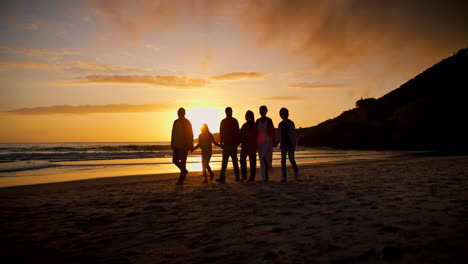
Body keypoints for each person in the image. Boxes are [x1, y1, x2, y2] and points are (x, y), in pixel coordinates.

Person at [216, 107, 240, 183]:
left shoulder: (234, 121)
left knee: (233, 161)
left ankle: (237, 176)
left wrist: (237, 143)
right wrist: (221, 142)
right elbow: (221, 132)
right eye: (229, 111)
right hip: (227, 144)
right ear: (226, 112)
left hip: (232, 144)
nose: (230, 113)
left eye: (230, 111)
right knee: (225, 162)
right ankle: (223, 177)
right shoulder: (224, 121)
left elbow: (237, 133)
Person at [171, 107, 193, 185]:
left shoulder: (187, 122)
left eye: (180, 112)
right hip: (176, 145)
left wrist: (191, 145)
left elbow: (191, 134)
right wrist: (172, 142)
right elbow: (173, 133)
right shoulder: (175, 122)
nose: (178, 113)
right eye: (178, 112)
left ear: (184, 113)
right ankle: (184, 171)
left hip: (184, 146)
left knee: (183, 162)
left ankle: (181, 179)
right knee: (175, 161)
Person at [277, 107, 299, 182]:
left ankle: (296, 171)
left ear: (287, 114)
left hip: (290, 144)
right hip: (283, 145)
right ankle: (284, 177)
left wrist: (293, 145)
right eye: (282, 114)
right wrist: (277, 142)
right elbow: (279, 135)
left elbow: (293, 134)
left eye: (285, 114)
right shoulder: (280, 124)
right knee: (283, 161)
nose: (283, 115)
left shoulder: (291, 123)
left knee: (291, 159)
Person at [256, 105, 276, 182]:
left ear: (266, 111)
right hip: (260, 142)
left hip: (268, 142)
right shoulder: (257, 121)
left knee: (267, 159)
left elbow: (272, 132)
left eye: (263, 110)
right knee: (262, 159)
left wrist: (274, 141)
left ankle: (266, 175)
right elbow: (255, 132)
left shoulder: (269, 120)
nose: (262, 112)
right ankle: (264, 177)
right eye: (261, 110)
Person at [240, 110, 257, 181]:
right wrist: (241, 143)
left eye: (247, 115)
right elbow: (241, 135)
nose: (246, 117)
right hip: (244, 145)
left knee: (252, 162)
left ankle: (252, 177)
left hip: (252, 146)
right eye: (246, 115)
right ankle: (244, 176)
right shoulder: (244, 125)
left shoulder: (254, 125)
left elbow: (257, 135)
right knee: (242, 160)